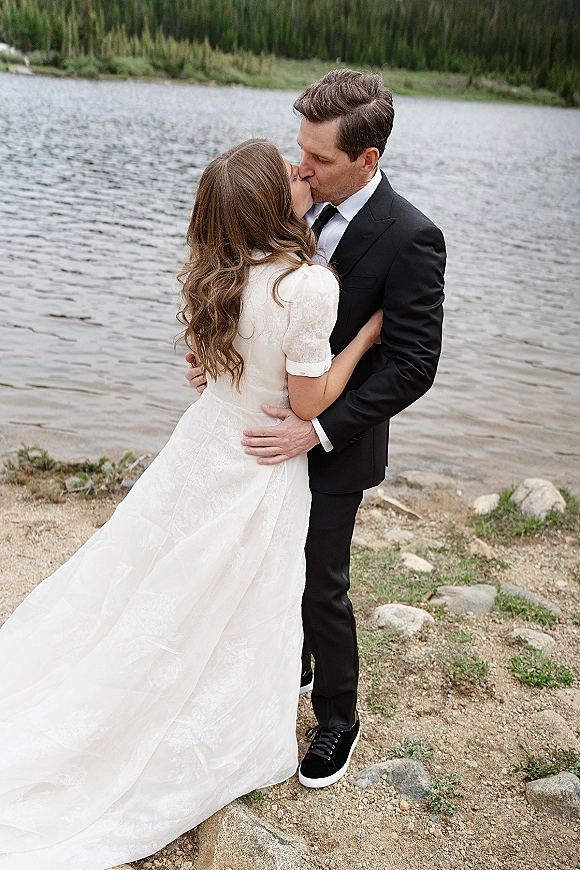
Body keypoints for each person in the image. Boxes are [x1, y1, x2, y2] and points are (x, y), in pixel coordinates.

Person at [0, 139, 381, 869]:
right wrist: (362, 340)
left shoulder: (216, 270)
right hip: (259, 460)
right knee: (237, 590)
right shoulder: (308, 286)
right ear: (272, 202)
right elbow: (307, 401)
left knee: (157, 576)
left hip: (203, 444)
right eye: (290, 172)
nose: (303, 172)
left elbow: (215, 368)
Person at [187, 69, 446, 790]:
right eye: (299, 148)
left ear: (368, 160)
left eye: (320, 158)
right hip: (261, 435)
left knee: (321, 584)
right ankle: (287, 664)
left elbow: (413, 367)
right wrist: (222, 364)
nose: (300, 166)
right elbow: (248, 295)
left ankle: (337, 716)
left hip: (334, 447)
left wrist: (319, 429)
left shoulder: (413, 238)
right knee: (257, 566)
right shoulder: (286, 201)